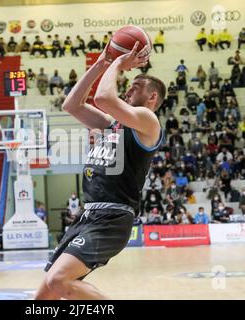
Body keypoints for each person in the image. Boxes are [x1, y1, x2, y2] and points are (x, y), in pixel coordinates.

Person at [35, 42, 165, 300]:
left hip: (113, 217)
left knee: (59, 279)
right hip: (87, 216)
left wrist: (118, 64)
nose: (129, 88)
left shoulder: (147, 120)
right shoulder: (112, 125)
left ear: (152, 97)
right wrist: (102, 62)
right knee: (43, 298)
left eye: (136, 87)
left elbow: (103, 97)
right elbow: (71, 105)